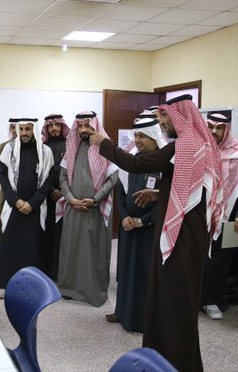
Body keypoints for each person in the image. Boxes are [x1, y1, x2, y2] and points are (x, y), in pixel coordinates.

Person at [90, 94, 223, 372]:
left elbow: (136, 164)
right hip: (188, 234)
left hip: (183, 239)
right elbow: (190, 188)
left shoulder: (184, 145)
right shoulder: (196, 144)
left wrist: (104, 144)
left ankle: (176, 362)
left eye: (164, 116)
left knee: (175, 300)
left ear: (179, 117)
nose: (162, 122)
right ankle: (164, 358)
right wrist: (159, 193)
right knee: (168, 298)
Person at [107, 112, 167, 332]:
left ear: (154, 137)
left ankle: (141, 319)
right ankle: (122, 312)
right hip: (128, 227)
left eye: (143, 136)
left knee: (143, 275)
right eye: (136, 135)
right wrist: (124, 216)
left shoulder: (164, 163)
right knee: (126, 272)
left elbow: (168, 200)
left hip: (149, 230)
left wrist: (142, 221)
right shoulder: (132, 159)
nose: (138, 140)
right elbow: (121, 191)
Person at [57, 111, 119, 307]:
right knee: (71, 249)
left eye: (87, 125)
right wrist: (70, 199)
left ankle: (94, 292)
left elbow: (113, 179)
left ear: (95, 126)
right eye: (80, 126)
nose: (84, 130)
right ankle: (69, 289)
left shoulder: (106, 147)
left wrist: (94, 200)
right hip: (73, 207)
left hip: (96, 209)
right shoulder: (72, 148)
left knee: (95, 252)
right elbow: (63, 177)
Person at [201, 111, 238, 320]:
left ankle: (212, 301)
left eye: (219, 128)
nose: (214, 131)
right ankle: (194, 299)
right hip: (201, 215)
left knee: (219, 262)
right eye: (211, 127)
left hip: (227, 216)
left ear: (227, 130)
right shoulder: (201, 150)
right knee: (198, 259)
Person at [0, 118, 56, 298]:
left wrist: (32, 203)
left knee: (33, 248)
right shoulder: (9, 149)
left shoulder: (45, 151)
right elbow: (2, 176)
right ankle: (5, 284)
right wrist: (16, 201)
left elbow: (49, 180)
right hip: (14, 207)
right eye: (21, 129)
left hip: (35, 208)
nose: (24, 133)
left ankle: (34, 286)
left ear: (34, 130)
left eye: (28, 129)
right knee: (10, 247)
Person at [41, 113, 70, 280]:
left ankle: (62, 272)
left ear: (62, 126)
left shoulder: (70, 145)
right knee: (48, 234)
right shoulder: (42, 147)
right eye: (50, 126)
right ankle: (48, 271)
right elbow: (39, 173)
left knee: (64, 235)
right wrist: (51, 190)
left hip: (67, 197)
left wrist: (65, 192)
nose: (54, 128)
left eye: (57, 125)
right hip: (47, 197)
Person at [0, 117, 18, 294]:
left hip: (28, 199)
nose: (16, 130)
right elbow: (1, 174)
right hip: (7, 195)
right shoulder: (4, 147)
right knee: (4, 231)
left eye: (19, 127)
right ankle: (1, 269)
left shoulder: (37, 147)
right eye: (12, 127)